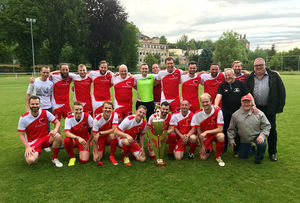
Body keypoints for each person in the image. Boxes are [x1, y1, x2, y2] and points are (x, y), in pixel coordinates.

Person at [245, 58, 286, 162]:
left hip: (269, 108)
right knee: (253, 130)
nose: (258, 67)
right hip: (255, 108)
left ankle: (272, 152)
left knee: (271, 131)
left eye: (260, 65)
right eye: (256, 66)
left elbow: (282, 91)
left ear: (265, 65)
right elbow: (246, 92)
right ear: (253, 67)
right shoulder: (249, 77)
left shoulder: (274, 76)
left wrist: (280, 107)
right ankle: (254, 149)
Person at [214, 68, 253, 155]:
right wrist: (216, 105)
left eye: (229, 75)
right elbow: (218, 96)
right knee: (225, 129)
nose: (227, 77)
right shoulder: (222, 85)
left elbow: (248, 95)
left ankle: (237, 150)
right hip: (226, 112)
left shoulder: (240, 84)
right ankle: (224, 148)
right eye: (226, 75)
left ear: (233, 75)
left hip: (238, 112)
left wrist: (253, 105)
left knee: (238, 131)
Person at [17, 96, 63, 167]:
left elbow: (57, 122)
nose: (35, 106)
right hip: (33, 142)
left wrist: (55, 130)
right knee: (31, 161)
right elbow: (21, 135)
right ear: (29, 104)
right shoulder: (23, 118)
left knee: (57, 136)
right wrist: (27, 147)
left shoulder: (45, 112)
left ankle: (55, 158)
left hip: (46, 138)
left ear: (39, 104)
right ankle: (37, 152)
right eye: (32, 104)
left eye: (36, 104)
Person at [227, 95, 271, 164]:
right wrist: (231, 139)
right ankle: (252, 148)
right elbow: (231, 129)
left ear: (252, 103)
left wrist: (262, 136)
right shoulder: (235, 115)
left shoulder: (259, 113)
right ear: (241, 103)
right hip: (244, 138)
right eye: (244, 102)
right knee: (243, 156)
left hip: (257, 136)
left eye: (248, 102)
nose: (246, 104)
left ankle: (258, 158)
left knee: (262, 144)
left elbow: (267, 125)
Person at [191, 93, 225, 166]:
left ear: (211, 101)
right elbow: (199, 131)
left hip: (215, 134)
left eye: (207, 101)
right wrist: (202, 145)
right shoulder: (197, 114)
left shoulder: (218, 111)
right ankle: (209, 147)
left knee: (221, 136)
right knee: (203, 157)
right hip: (206, 137)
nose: (205, 104)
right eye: (203, 102)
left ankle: (218, 156)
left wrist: (207, 131)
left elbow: (220, 129)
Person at [64, 102, 93, 166]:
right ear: (73, 110)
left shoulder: (87, 116)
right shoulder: (68, 118)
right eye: (76, 110)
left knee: (84, 160)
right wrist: (78, 138)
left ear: (83, 109)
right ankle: (72, 157)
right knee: (67, 140)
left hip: (84, 140)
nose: (79, 111)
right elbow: (67, 133)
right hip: (74, 139)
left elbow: (94, 131)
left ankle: (83, 149)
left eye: (80, 109)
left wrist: (88, 142)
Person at [26, 66, 53, 136]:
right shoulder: (34, 81)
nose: (45, 74)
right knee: (37, 125)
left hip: (48, 107)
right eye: (44, 72)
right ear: (40, 72)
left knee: (47, 126)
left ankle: (47, 142)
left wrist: (51, 105)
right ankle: (36, 140)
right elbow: (28, 94)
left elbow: (50, 95)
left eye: (47, 72)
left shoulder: (51, 83)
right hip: (37, 107)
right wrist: (27, 107)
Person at [92, 101, 119, 166]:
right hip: (100, 138)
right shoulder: (97, 120)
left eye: (109, 108)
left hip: (108, 136)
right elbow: (95, 137)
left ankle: (111, 156)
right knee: (97, 159)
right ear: (102, 108)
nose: (107, 110)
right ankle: (101, 148)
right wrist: (95, 153)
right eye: (106, 108)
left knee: (113, 135)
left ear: (112, 109)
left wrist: (101, 133)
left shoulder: (114, 114)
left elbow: (114, 129)